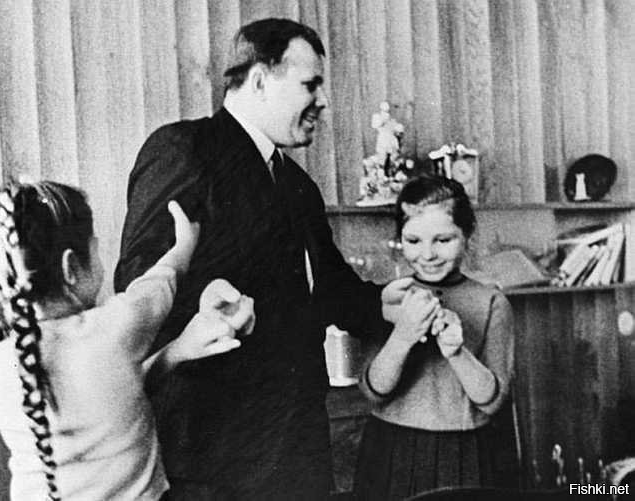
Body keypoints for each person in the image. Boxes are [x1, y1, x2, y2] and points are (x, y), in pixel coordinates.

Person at [114, 17, 405, 501]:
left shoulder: (298, 185)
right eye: (310, 84)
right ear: (259, 79)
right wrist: (205, 298)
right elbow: (139, 278)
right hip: (216, 451)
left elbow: (330, 290)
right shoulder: (186, 148)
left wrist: (386, 304)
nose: (323, 101)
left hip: (298, 445)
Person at [0, 180, 254, 501]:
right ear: (70, 268)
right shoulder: (118, 323)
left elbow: (108, 399)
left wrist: (176, 351)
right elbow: (162, 280)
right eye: (95, 249)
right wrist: (184, 244)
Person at [354, 176, 516, 500]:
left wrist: (456, 352)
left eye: (443, 239)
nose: (427, 254)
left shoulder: (492, 302)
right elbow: (374, 390)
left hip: (466, 452)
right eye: (413, 240)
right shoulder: (390, 298)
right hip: (391, 449)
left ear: (467, 235)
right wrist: (403, 336)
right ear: (400, 239)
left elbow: (492, 400)